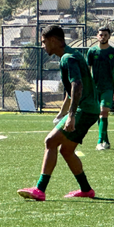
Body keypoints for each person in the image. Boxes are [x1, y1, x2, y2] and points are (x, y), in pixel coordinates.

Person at [18, 25, 99, 201]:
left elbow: (77, 86)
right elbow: (72, 91)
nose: (43, 46)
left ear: (53, 41)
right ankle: (86, 190)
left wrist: (70, 116)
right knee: (67, 151)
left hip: (84, 110)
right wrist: (63, 112)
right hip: (89, 109)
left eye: (44, 42)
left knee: (50, 141)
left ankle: (39, 189)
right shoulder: (73, 54)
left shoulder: (67, 59)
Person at [87, 27, 114, 150]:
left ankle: (99, 142)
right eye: (100, 35)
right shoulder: (92, 51)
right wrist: (87, 87)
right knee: (100, 113)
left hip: (108, 87)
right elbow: (88, 70)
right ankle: (106, 140)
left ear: (109, 36)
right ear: (97, 36)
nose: (103, 37)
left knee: (104, 111)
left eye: (105, 35)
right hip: (95, 87)